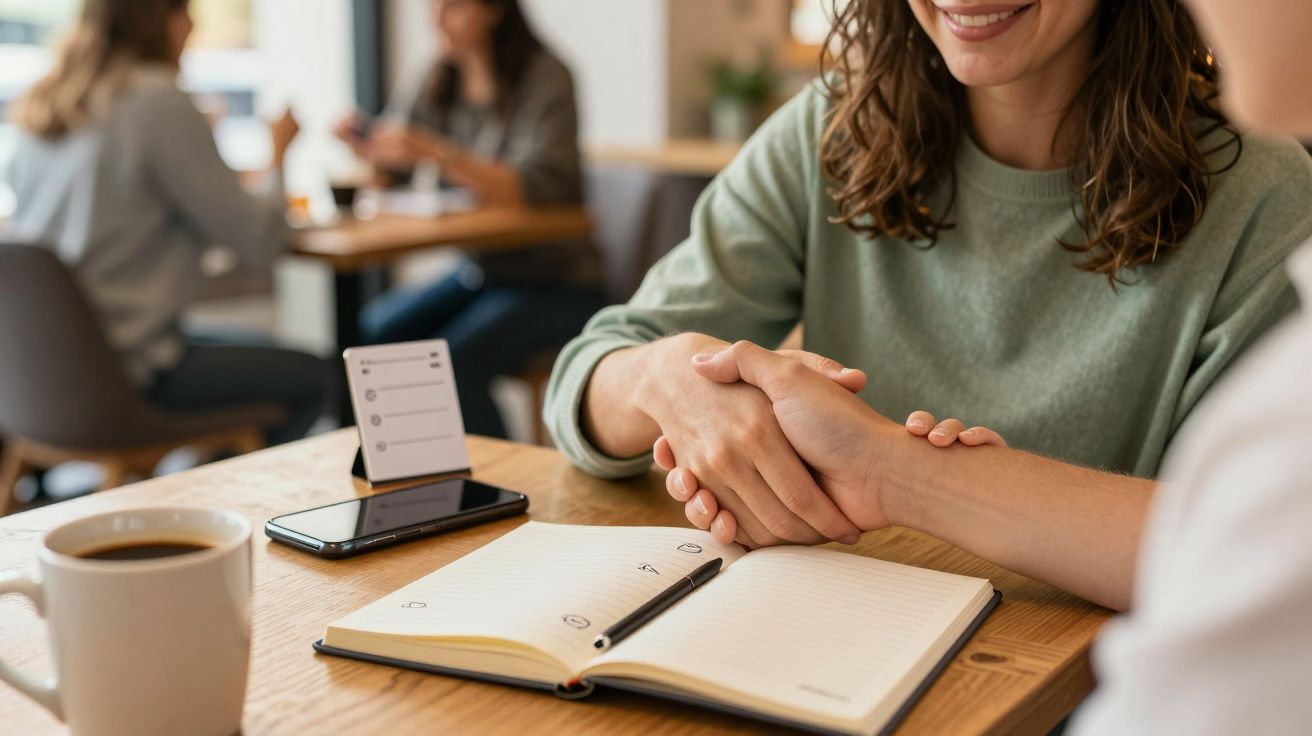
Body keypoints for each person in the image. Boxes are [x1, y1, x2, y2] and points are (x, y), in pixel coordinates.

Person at [545, 0, 1312, 612]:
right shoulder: (831, 131)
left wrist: (894, 472)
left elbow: (1247, 549)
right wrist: (668, 378)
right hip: (823, 636)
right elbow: (588, 374)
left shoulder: (1262, 194)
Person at [3, 0, 328, 446]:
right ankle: (227, 502)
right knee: (319, 375)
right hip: (127, 373)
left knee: (243, 344)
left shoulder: (50, 102)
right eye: (185, 10)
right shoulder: (157, 101)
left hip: (39, 381)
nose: (194, 23)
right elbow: (259, 241)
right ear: (161, 20)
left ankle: (209, 488)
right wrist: (278, 154)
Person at [338, 0, 603, 439]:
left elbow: (538, 186)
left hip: (559, 281)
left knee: (456, 361)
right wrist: (368, 148)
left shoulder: (546, 75)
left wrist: (438, 152)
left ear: (494, 9)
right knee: (374, 334)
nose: (437, 17)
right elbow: (394, 170)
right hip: (483, 272)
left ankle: (500, 489)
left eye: (452, 5)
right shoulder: (440, 74)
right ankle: (406, 470)